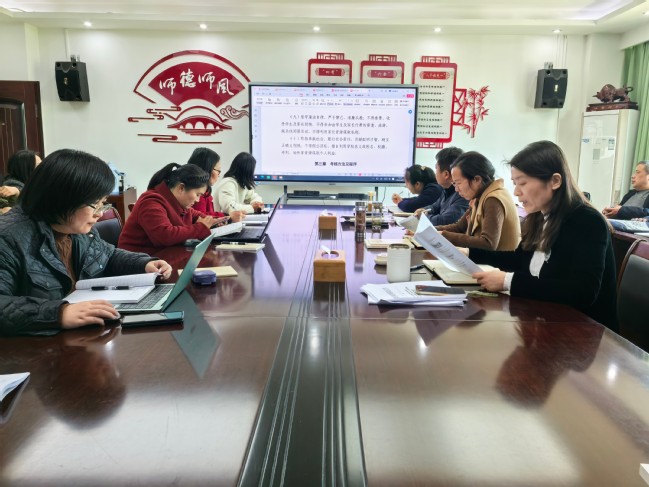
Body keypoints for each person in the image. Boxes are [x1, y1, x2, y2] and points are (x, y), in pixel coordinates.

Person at [0, 149, 172, 336]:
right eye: (94, 204)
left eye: (102, 203)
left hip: (82, 336)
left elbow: (107, 255)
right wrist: (58, 313)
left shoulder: (76, 230)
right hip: (36, 347)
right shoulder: (7, 237)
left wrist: (144, 264)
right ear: (64, 199)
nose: (100, 213)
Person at [470, 140, 618, 332]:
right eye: (515, 183)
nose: (516, 192)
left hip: (585, 332)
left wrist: (508, 281)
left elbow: (583, 292)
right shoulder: (539, 216)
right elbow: (518, 259)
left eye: (523, 183)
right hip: (545, 321)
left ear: (555, 181)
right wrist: (469, 253)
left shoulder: (588, 222)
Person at [119, 163, 224, 254]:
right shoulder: (151, 202)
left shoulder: (177, 202)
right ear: (181, 188)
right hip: (137, 262)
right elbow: (165, 236)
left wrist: (212, 221)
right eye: (197, 194)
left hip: (161, 258)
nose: (198, 200)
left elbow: (195, 214)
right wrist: (201, 227)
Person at [436, 151, 520, 250]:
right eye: (454, 184)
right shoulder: (479, 197)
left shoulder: (493, 199)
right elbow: (459, 227)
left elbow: (488, 243)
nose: (456, 189)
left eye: (458, 183)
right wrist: (430, 230)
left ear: (477, 179)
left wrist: (444, 235)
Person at [186, 147, 245, 221]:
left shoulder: (206, 190)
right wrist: (227, 216)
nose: (218, 175)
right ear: (207, 169)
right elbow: (201, 217)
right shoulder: (197, 191)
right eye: (218, 171)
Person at [413, 147, 469, 225]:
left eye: (436, 168)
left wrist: (423, 217)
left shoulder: (463, 194)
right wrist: (424, 210)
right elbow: (434, 207)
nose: (435, 173)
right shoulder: (446, 190)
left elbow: (444, 221)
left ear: (446, 174)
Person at [0, 149, 41, 214]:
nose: (42, 168)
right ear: (26, 168)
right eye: (38, 166)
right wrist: (17, 191)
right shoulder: (11, 184)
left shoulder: (34, 182)